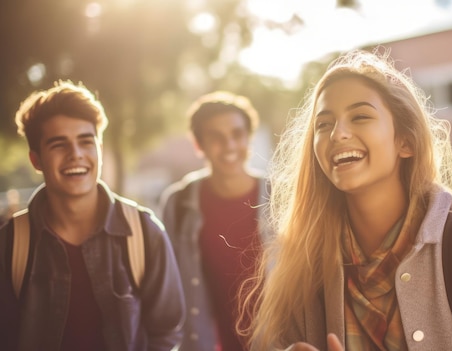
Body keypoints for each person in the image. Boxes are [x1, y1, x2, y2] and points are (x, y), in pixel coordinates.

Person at [237, 49, 452, 351]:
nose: (338, 133)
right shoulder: (302, 269)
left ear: (405, 141)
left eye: (360, 116)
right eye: (324, 124)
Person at [0, 80, 185, 351]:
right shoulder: (10, 245)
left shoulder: (144, 233)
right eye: (59, 145)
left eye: (86, 142)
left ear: (98, 148)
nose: (76, 155)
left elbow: (167, 333)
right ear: (36, 160)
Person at [159, 91, 271, 351]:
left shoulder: (283, 196)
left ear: (248, 138)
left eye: (237, 134)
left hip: (278, 342)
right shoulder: (179, 204)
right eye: (216, 137)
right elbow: (169, 287)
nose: (230, 145)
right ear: (199, 145)